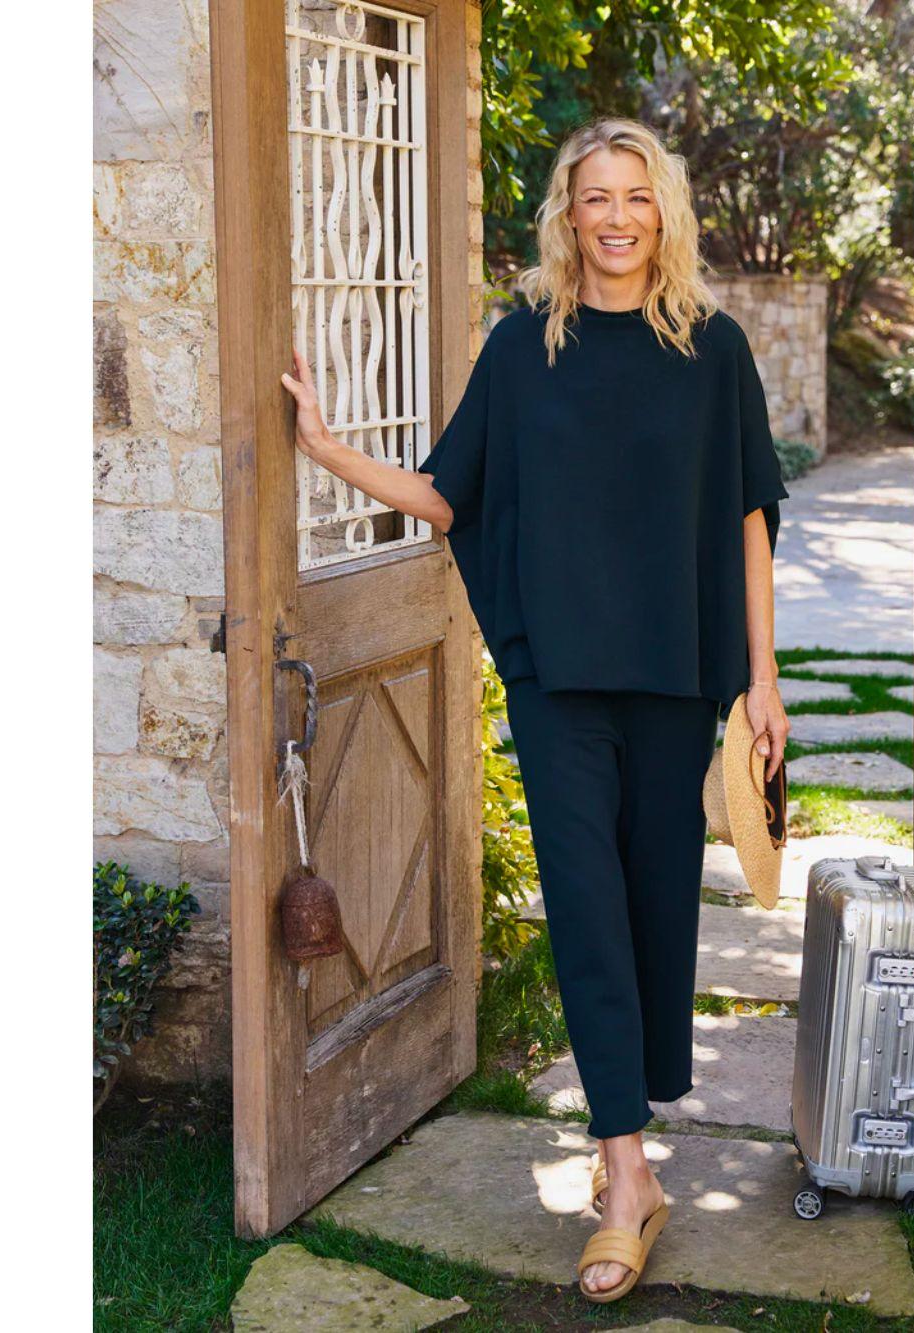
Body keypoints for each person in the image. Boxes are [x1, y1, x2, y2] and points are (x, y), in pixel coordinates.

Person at [279, 116, 790, 1301]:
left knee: (659, 911)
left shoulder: (714, 351)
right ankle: (622, 1172)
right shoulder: (522, 349)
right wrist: (328, 450)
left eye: (635, 198)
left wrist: (763, 680)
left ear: (663, 213)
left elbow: (748, 518)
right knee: (584, 912)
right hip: (561, 681)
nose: (614, 218)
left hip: (676, 681)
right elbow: (448, 492)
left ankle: (638, 1151)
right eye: (593, 198)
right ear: (567, 215)